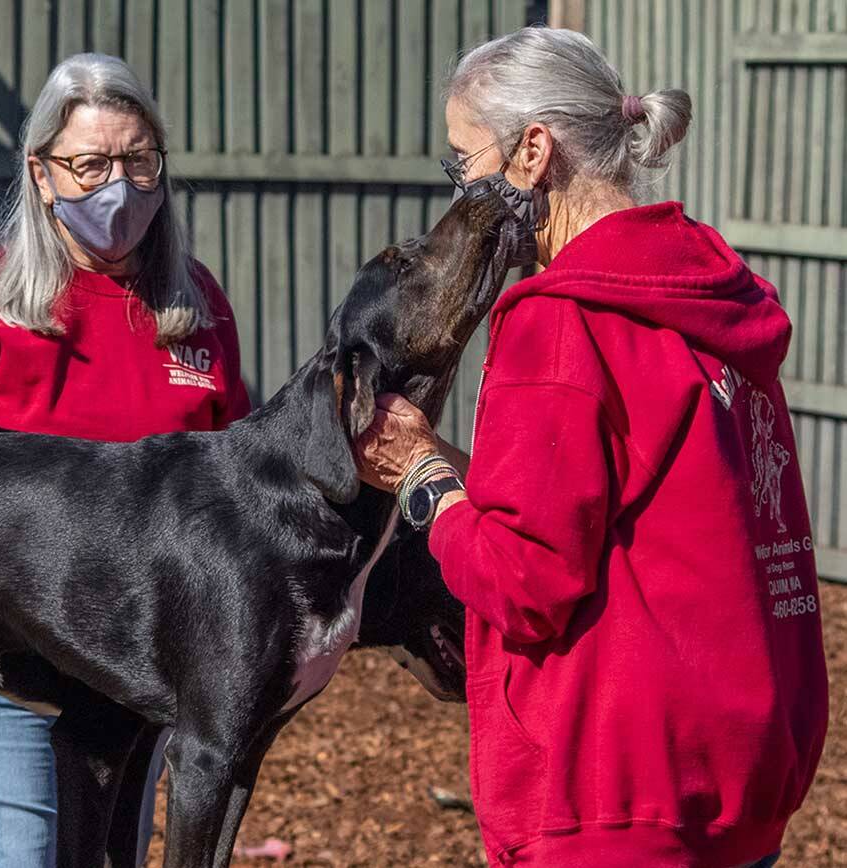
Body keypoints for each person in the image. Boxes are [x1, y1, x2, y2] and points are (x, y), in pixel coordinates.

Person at [353, 27, 827, 868]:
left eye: (464, 165)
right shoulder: (710, 299)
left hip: (612, 800)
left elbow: (524, 581)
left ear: (532, 150)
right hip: (739, 780)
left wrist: (421, 476)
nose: (461, 194)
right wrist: (472, 479)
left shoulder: (560, 320)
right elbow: (645, 513)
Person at [0, 52, 250, 867]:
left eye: (138, 160)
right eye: (89, 165)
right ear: (41, 174)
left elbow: (233, 490)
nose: (119, 186)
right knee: (17, 857)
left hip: (142, 677)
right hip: (7, 673)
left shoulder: (197, 308)